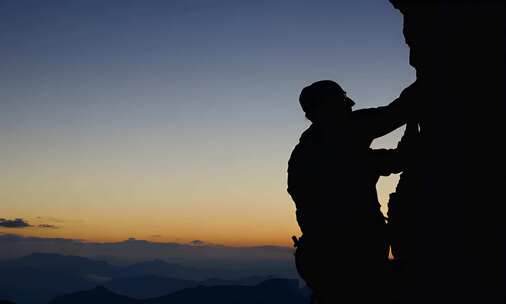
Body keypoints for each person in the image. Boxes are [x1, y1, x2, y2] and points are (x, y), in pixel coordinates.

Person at [287, 80, 418, 303]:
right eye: (343, 100)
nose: (351, 104)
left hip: (320, 262)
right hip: (353, 260)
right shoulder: (345, 132)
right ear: (327, 110)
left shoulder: (303, 154)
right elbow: (396, 129)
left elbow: (392, 123)